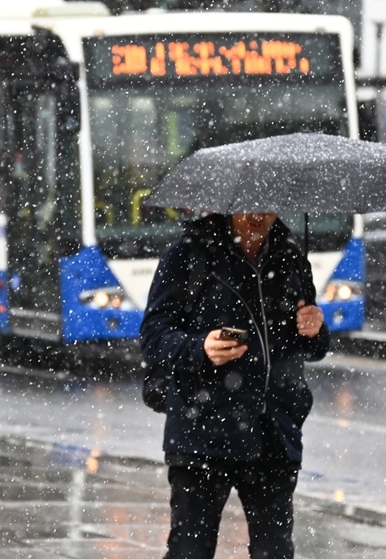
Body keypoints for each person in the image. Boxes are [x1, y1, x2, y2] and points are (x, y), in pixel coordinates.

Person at [140, 211, 329, 559]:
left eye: (266, 204)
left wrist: (315, 329)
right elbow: (154, 337)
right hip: (203, 432)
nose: (257, 214)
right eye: (248, 205)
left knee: (275, 551)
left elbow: (310, 346)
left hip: (273, 433)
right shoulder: (189, 255)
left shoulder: (290, 257)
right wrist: (201, 348)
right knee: (190, 551)